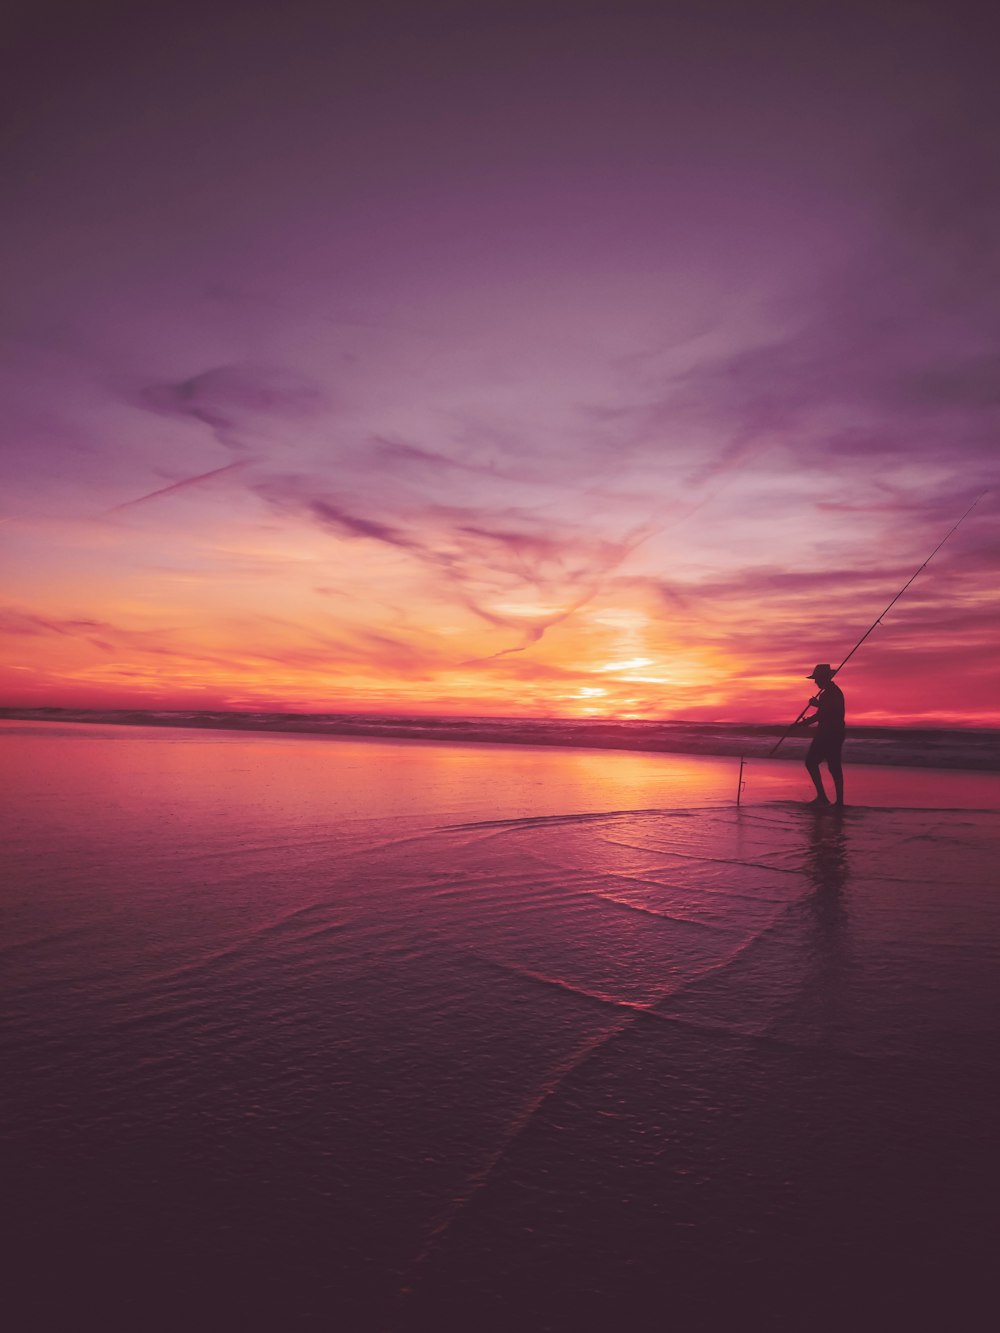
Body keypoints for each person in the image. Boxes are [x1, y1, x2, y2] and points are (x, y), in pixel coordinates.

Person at [799, 663, 845, 806]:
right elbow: (827, 710)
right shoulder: (831, 693)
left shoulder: (831, 693)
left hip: (829, 734)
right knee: (833, 765)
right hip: (834, 733)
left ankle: (826, 798)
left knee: (813, 763)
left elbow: (824, 714)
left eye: (817, 678)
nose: (815, 681)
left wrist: (803, 724)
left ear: (824, 678)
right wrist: (818, 704)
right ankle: (836, 801)